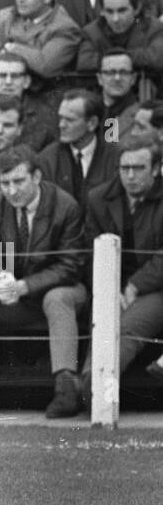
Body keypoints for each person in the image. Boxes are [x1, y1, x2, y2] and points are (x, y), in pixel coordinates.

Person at [0, 145, 88, 418]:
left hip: (59, 288)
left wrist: (25, 286)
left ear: (36, 177)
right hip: (14, 291)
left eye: (18, 181)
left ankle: (65, 389)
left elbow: (70, 266)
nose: (11, 190)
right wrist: (0, 278)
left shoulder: (66, 206)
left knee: (57, 298)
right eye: (5, 183)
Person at [80, 134, 163, 395]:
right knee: (104, 312)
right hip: (111, 284)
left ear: (156, 169)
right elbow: (89, 252)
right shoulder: (99, 198)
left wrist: (135, 286)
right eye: (124, 168)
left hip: (154, 287)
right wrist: (109, 289)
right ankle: (87, 387)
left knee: (126, 325)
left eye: (138, 168)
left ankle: (90, 387)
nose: (130, 175)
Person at [37, 89, 120, 208]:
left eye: (69, 120)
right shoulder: (47, 159)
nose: (61, 125)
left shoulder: (115, 157)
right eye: (61, 118)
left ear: (92, 123)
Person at [75, 0, 163, 75]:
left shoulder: (154, 28)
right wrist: (133, 57)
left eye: (122, 11)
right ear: (102, 11)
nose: (115, 19)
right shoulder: (91, 32)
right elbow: (85, 62)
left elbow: (157, 59)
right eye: (109, 11)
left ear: (137, 8)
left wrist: (109, 58)